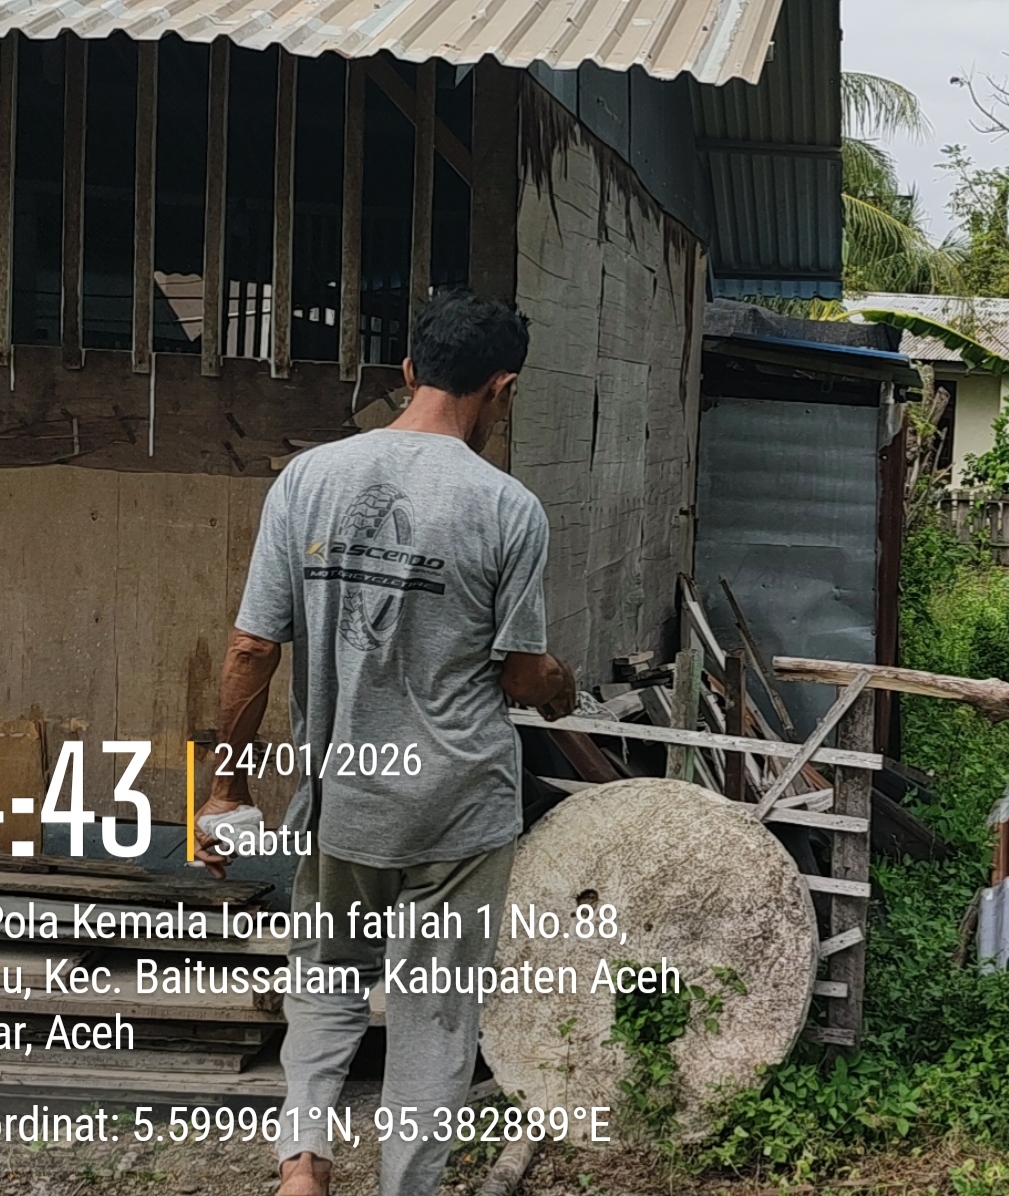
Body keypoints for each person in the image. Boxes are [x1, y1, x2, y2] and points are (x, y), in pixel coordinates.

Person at [199, 289, 578, 1196]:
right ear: (504, 387)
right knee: (434, 1013)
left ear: (406, 370)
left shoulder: (308, 479)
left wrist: (226, 791)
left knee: (324, 976)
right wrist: (560, 686)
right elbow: (523, 675)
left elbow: (253, 646)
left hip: (347, 798)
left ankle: (302, 1165)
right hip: (458, 810)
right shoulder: (508, 507)